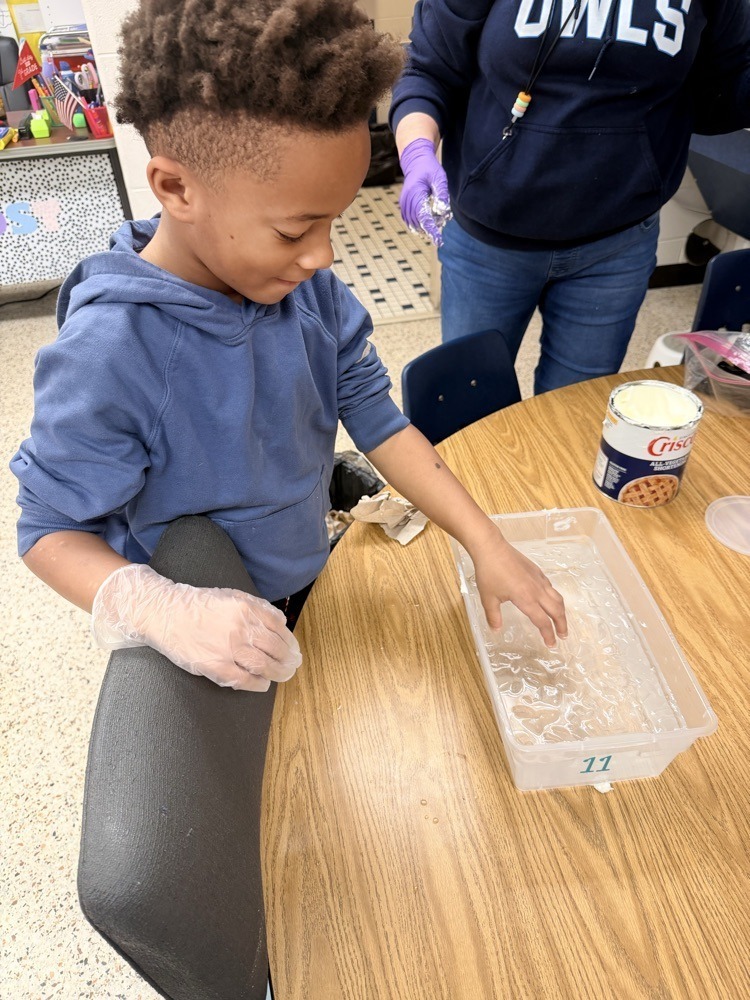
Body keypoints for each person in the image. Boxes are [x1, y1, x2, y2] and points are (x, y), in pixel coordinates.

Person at [10, 2, 566, 997]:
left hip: (313, 581)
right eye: (298, 226)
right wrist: (161, 607)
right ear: (174, 186)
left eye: (336, 221)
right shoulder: (112, 355)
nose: (322, 258)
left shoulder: (290, 284)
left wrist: (488, 541)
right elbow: (49, 530)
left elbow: (378, 415)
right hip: (223, 627)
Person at [391, 0, 750, 394]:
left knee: (574, 415)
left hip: (616, 244)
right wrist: (417, 152)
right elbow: (428, 68)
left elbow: (724, 88)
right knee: (467, 401)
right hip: (487, 242)